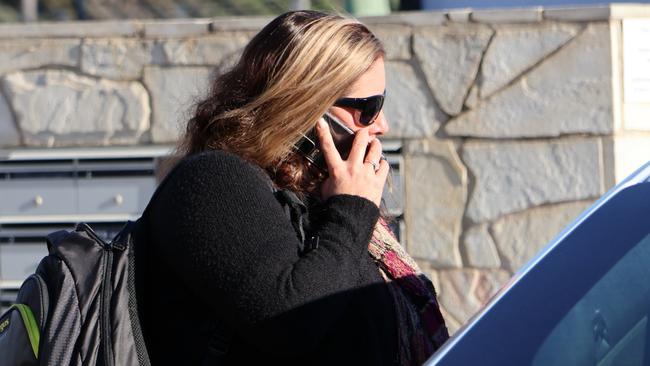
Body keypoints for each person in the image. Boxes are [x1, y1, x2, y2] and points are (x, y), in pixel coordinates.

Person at [134, 10, 449, 366]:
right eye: (368, 109)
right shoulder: (213, 182)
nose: (383, 126)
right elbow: (292, 322)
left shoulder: (320, 197)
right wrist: (351, 210)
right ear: (303, 102)